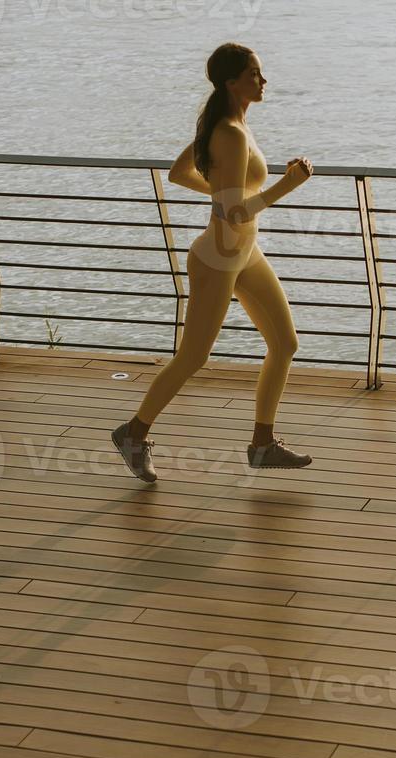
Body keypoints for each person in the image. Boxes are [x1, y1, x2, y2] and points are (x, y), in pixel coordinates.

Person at [111, 42, 314, 483]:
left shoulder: (233, 124)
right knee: (193, 357)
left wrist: (225, 195)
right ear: (232, 81)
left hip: (244, 254)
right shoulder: (230, 133)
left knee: (285, 344)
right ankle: (133, 432)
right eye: (255, 74)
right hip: (218, 260)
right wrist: (288, 185)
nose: (263, 80)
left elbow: (180, 174)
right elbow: (233, 212)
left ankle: (262, 445)